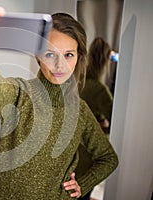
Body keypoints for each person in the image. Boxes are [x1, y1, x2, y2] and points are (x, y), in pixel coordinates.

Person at [0, 5, 118, 200]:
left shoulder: (81, 111)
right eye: (50, 54)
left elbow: (108, 159)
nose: (59, 65)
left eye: (68, 55)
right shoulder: (20, 95)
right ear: (38, 56)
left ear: (78, 57)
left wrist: (81, 184)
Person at [76, 37, 115, 200]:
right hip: (87, 154)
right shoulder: (100, 90)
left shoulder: (78, 83)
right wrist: (103, 125)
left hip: (71, 150)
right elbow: (115, 122)